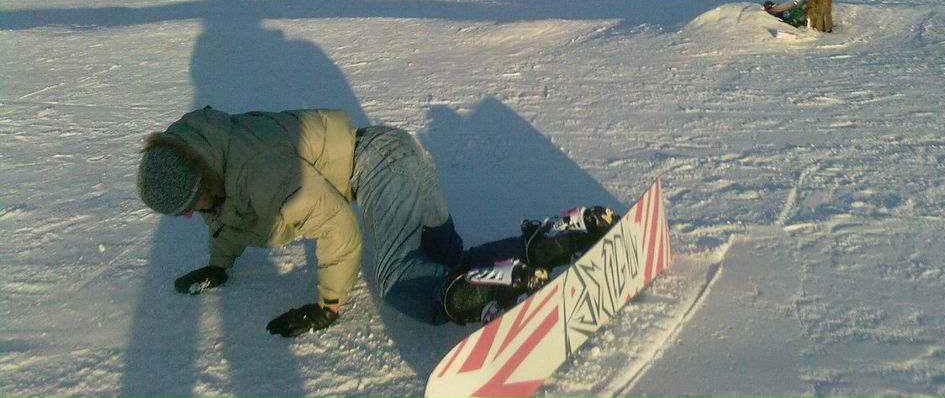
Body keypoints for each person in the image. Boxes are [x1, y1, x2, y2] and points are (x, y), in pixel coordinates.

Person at [136, 106, 617, 337]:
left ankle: (491, 296)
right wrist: (219, 264)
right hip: (394, 154)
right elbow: (227, 214)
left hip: (380, 167)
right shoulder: (209, 150)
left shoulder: (256, 172)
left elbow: (338, 227)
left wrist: (327, 306)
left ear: (199, 176)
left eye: (190, 203)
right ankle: (555, 241)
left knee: (402, 281)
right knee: (451, 264)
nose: (190, 214)